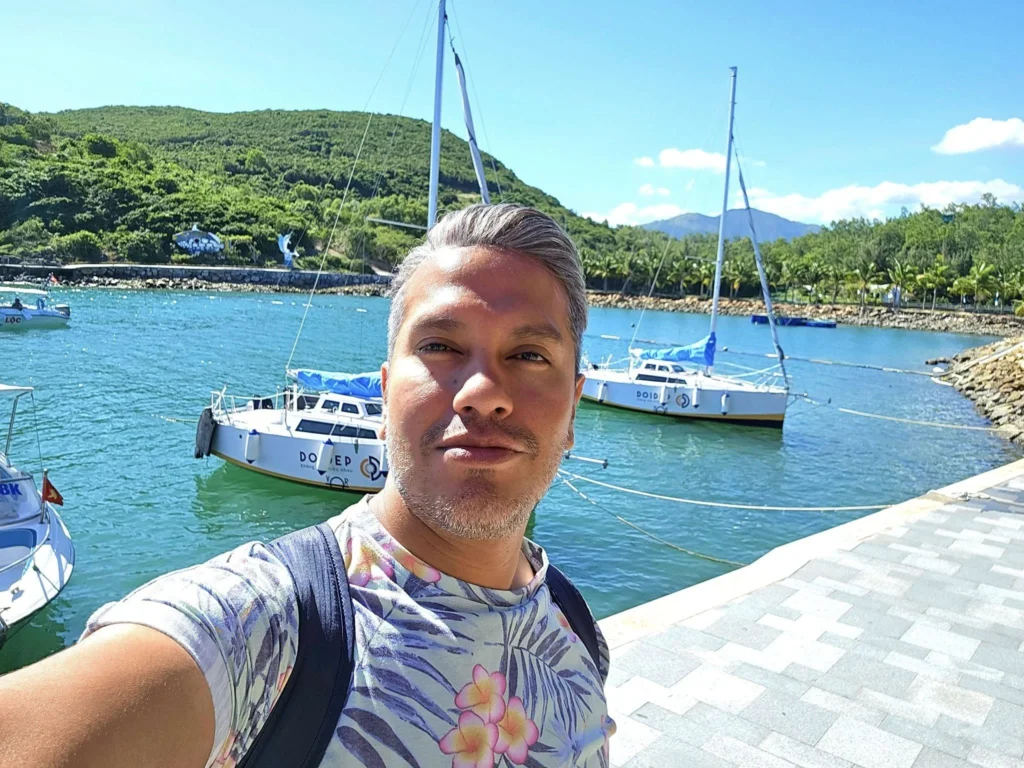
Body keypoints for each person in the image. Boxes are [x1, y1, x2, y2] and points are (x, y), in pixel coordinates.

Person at [0, 203, 614, 767]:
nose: (482, 391)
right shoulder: (263, 629)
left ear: (574, 409)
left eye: (531, 355)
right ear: (383, 393)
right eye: (440, 345)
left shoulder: (573, 625)